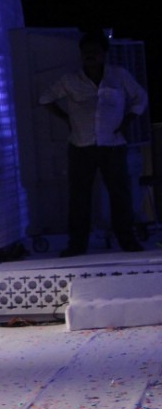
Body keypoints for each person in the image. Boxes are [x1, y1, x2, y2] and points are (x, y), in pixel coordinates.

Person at [41, 32, 147, 256]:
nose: (90, 56)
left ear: (104, 54)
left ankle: (127, 240)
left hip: (113, 145)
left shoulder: (119, 76)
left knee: (120, 194)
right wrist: (67, 118)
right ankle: (77, 244)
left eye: (95, 52)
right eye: (86, 52)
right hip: (81, 146)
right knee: (79, 197)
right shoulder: (70, 80)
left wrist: (127, 121)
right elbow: (46, 98)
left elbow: (140, 97)